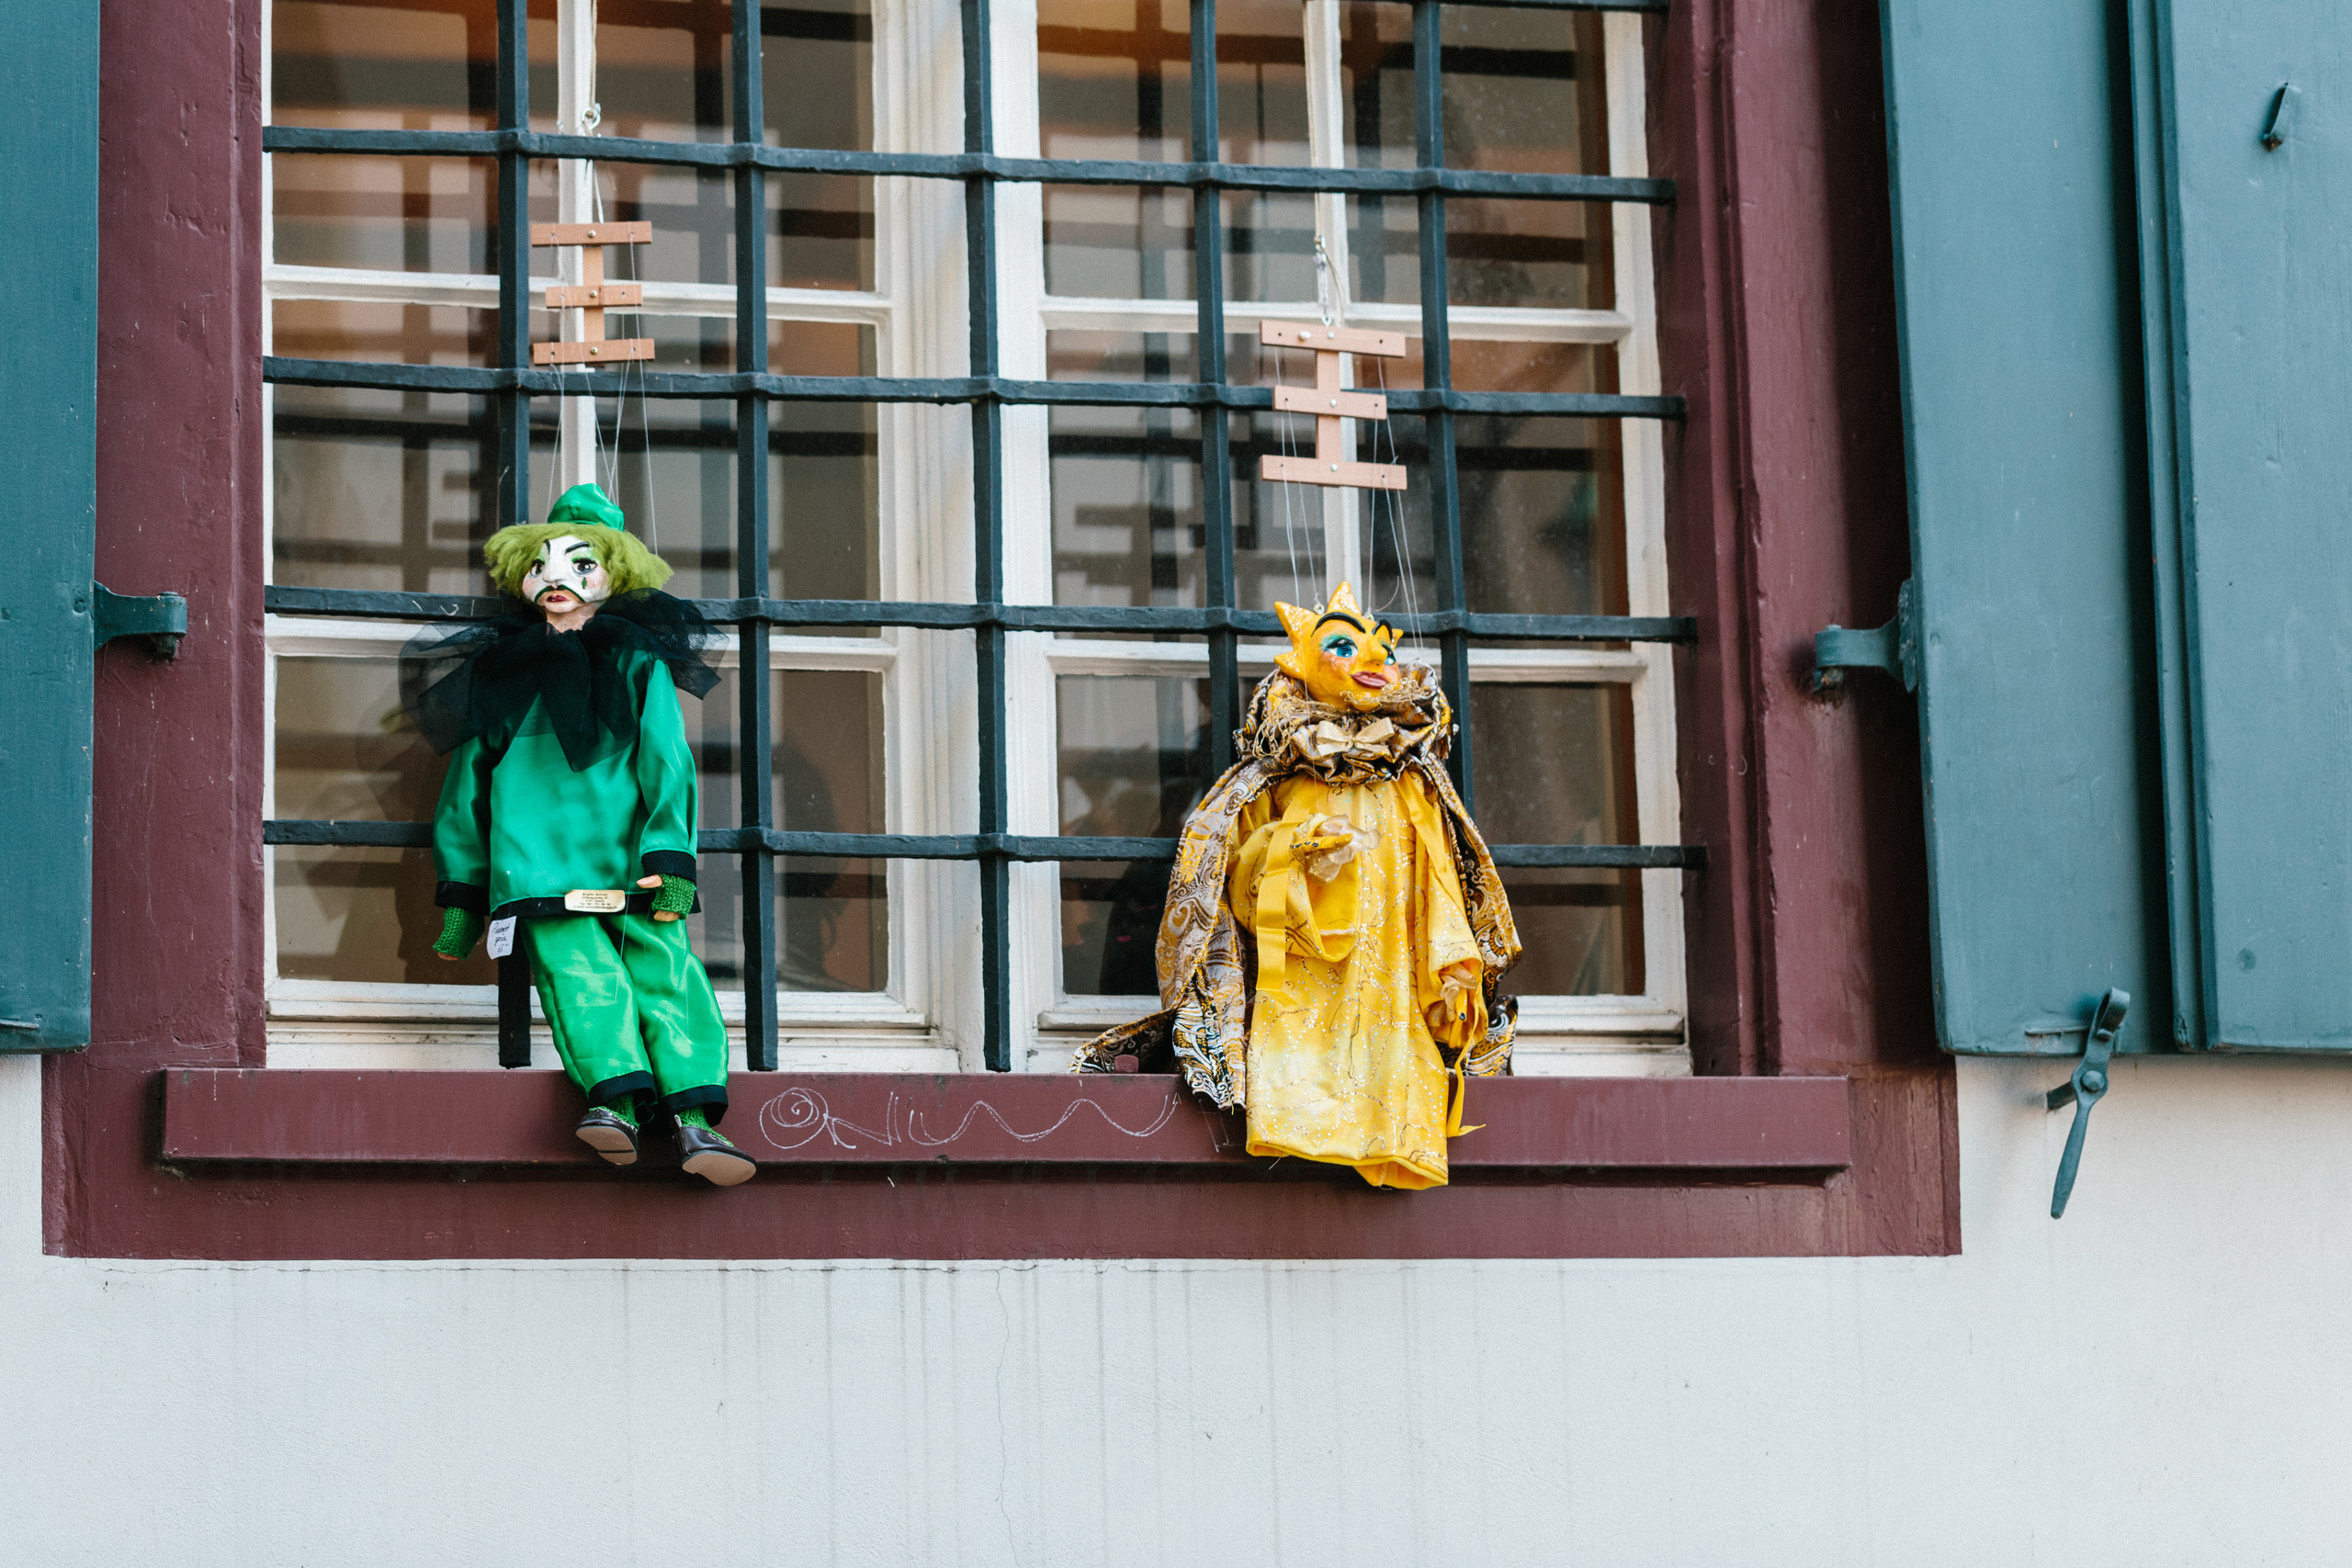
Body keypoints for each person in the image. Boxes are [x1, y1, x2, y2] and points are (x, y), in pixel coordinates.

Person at [1075, 582, 1520, 1188]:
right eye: (1343, 645)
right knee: (1307, 1074)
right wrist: (1295, 849)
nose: (1372, 661)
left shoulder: (1413, 781)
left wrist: (1451, 963)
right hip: (1302, 990)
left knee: (1389, 1076)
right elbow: (1239, 881)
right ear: (1301, 662)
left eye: (1383, 651)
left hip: (1390, 983)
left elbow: (1440, 877)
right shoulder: (1278, 778)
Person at [402, 482, 754, 1186]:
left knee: (666, 974)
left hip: (633, 868)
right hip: (538, 871)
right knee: (581, 979)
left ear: (614, 571)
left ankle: (694, 1118)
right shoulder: (505, 675)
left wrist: (670, 852)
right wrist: (463, 897)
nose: (557, 579)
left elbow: (666, 760)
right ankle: (616, 1100)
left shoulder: (636, 663)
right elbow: (465, 789)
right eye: (543, 564)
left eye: (580, 564)